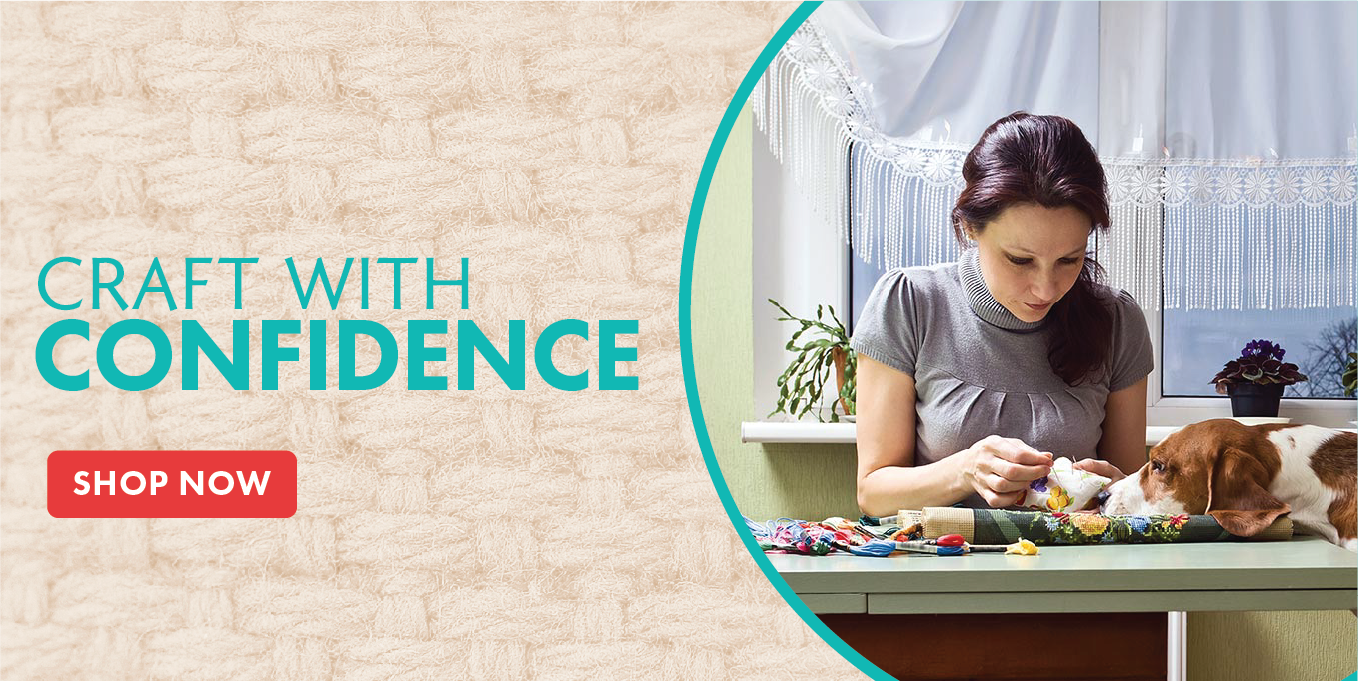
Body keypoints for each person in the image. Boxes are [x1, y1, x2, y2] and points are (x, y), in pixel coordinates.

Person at [852, 112, 1154, 517]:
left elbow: (1132, 502)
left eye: (1070, 259)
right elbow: (873, 494)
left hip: (1074, 573)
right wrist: (965, 470)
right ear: (970, 228)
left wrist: (1117, 488)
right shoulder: (910, 302)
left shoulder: (1117, 321)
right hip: (940, 568)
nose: (1046, 289)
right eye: (1019, 260)